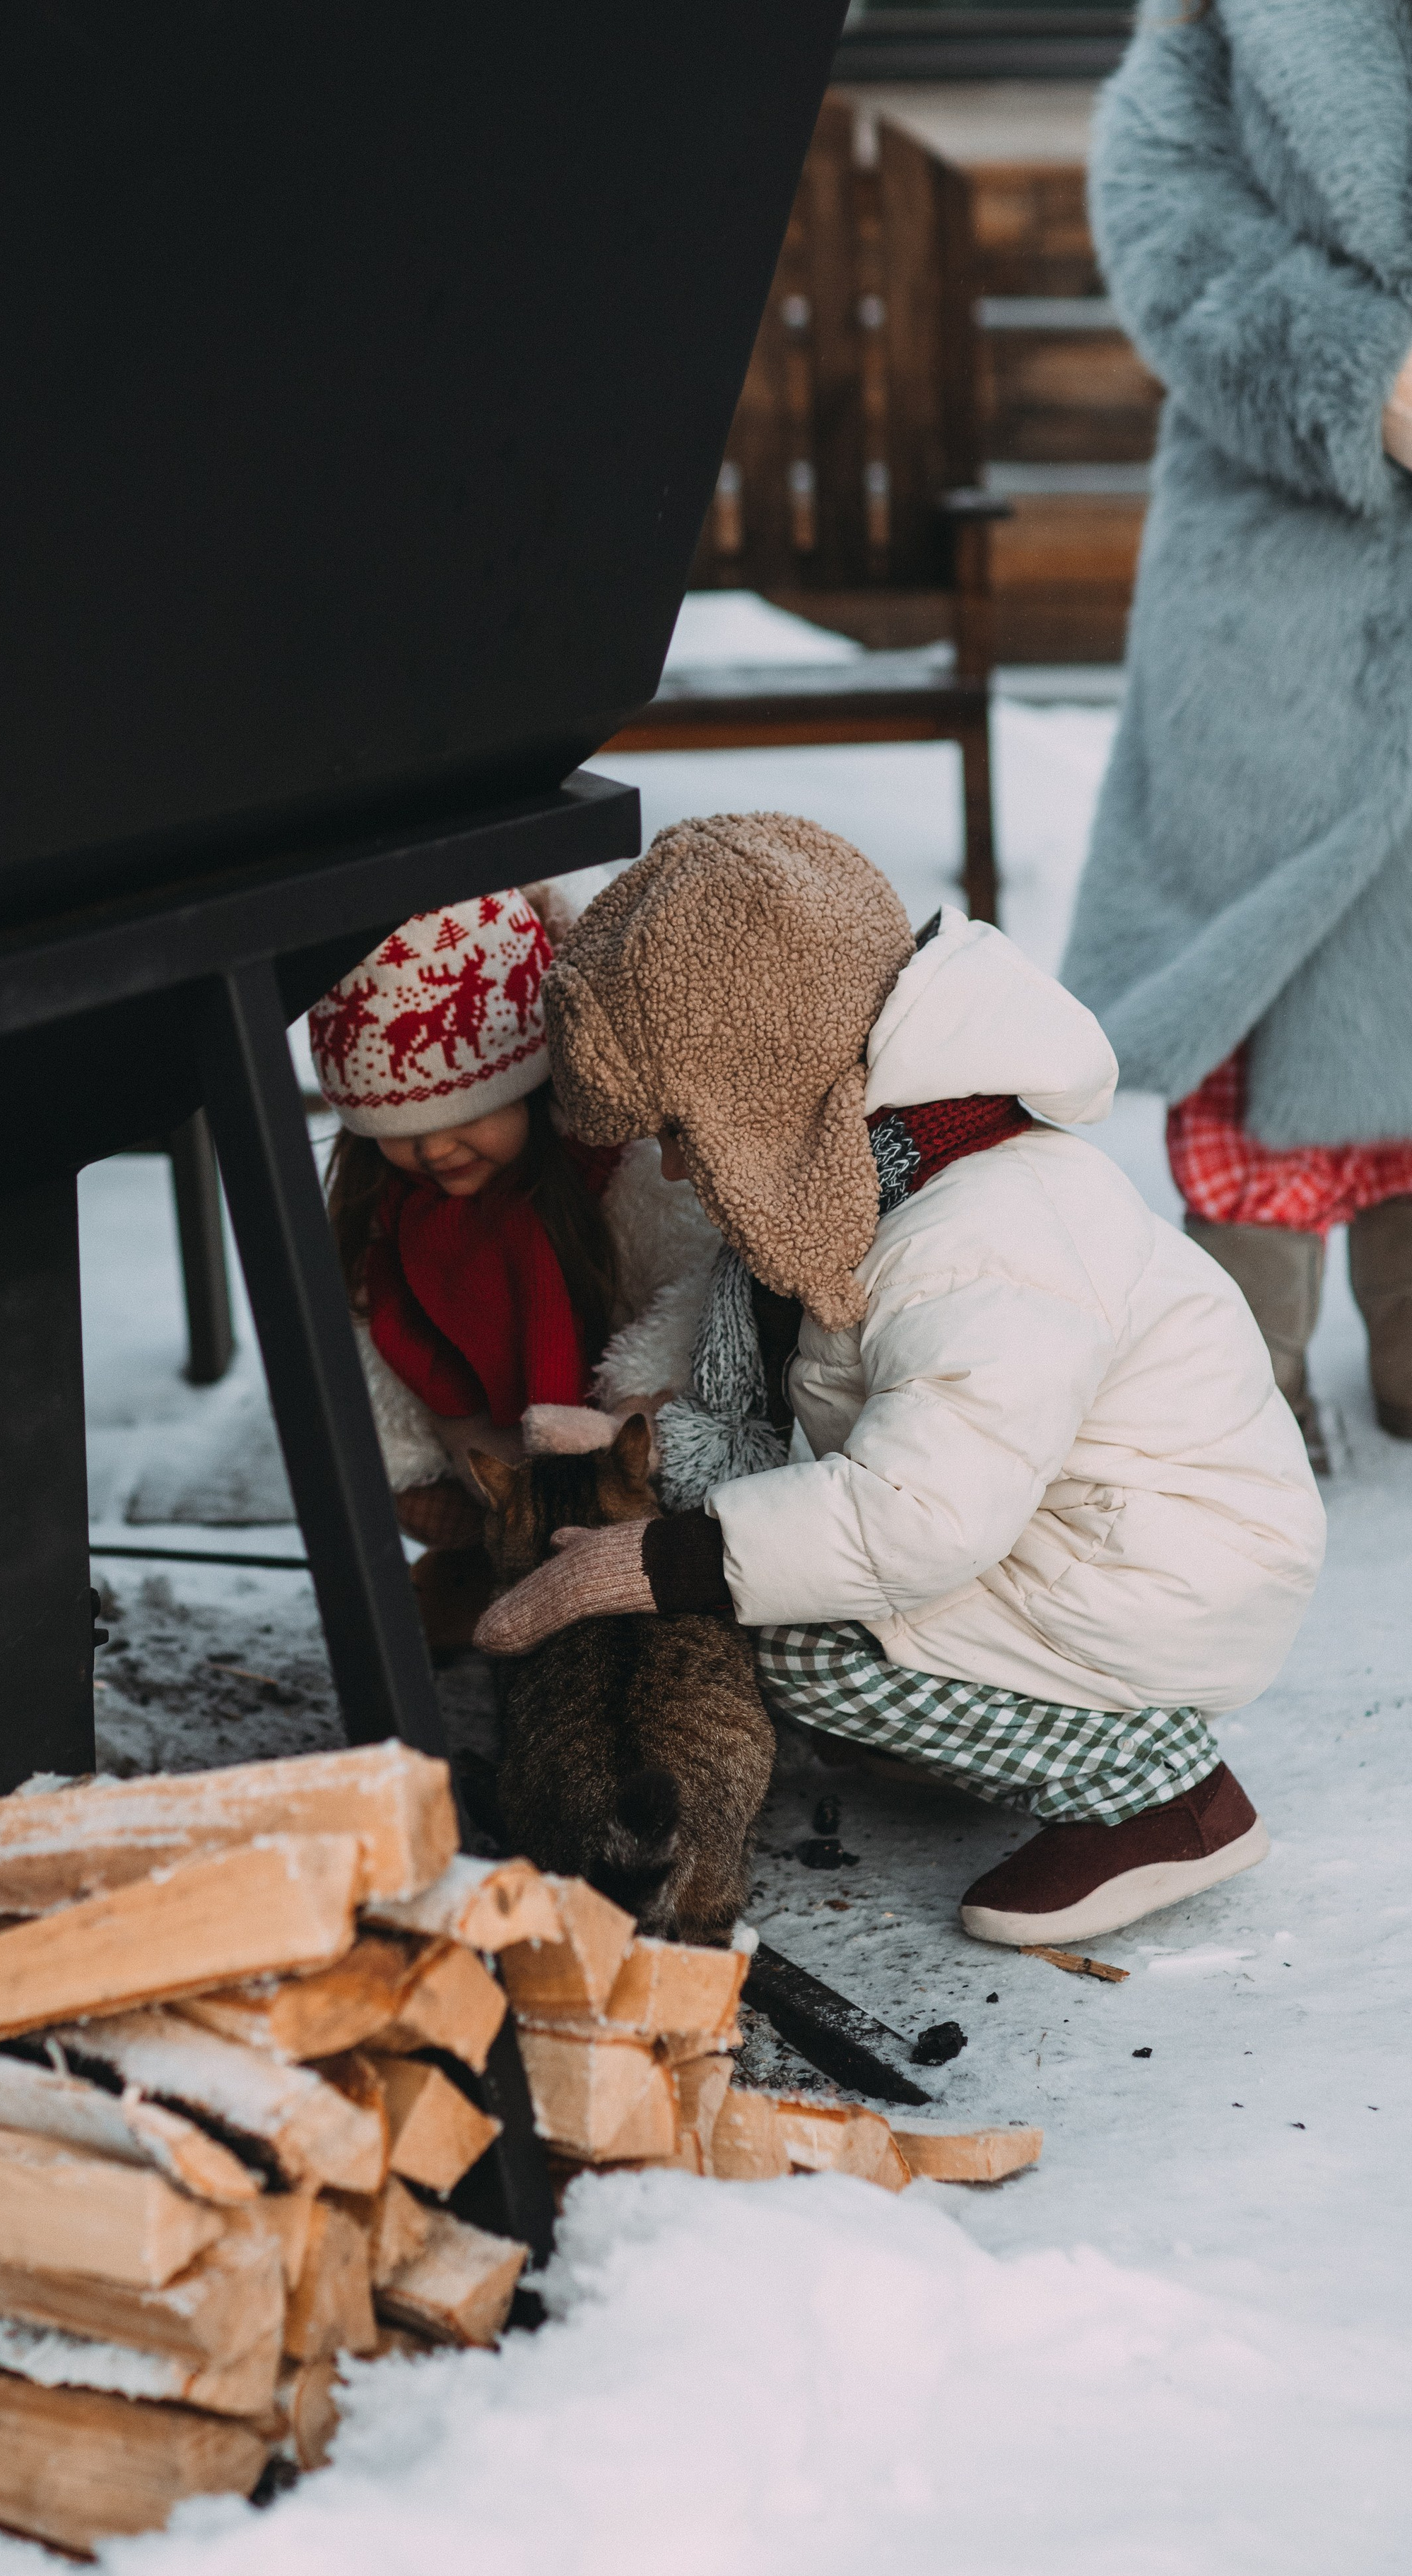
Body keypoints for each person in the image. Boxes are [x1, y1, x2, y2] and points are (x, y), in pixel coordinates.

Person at [474, 816, 1326, 1948]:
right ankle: (995, 1713)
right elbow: (808, 1436)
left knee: (795, 1638)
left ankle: (1163, 1796)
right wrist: (648, 1446)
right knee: (773, 1567)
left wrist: (651, 1563)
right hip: (1053, 1525)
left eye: (684, 1125)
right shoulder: (877, 1177)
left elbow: (918, 1517)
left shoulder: (983, 1236)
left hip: (1162, 1567)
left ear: (759, 1085)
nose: (677, 1164)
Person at [1060, 0, 1412, 1463]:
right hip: (1280, 560)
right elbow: (1161, 207)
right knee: (1264, 930)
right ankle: (1242, 1353)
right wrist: (1357, 376)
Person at [308, 885, 717, 1653]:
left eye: (465, 1116)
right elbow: (372, 1344)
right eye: (398, 1132)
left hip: (635, 1440)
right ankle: (483, 1559)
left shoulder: (619, 1172)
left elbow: (692, 1282)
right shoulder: (392, 1212)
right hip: (485, 1454)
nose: (431, 1152)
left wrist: (643, 1406)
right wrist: (434, 1453)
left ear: (530, 1086)